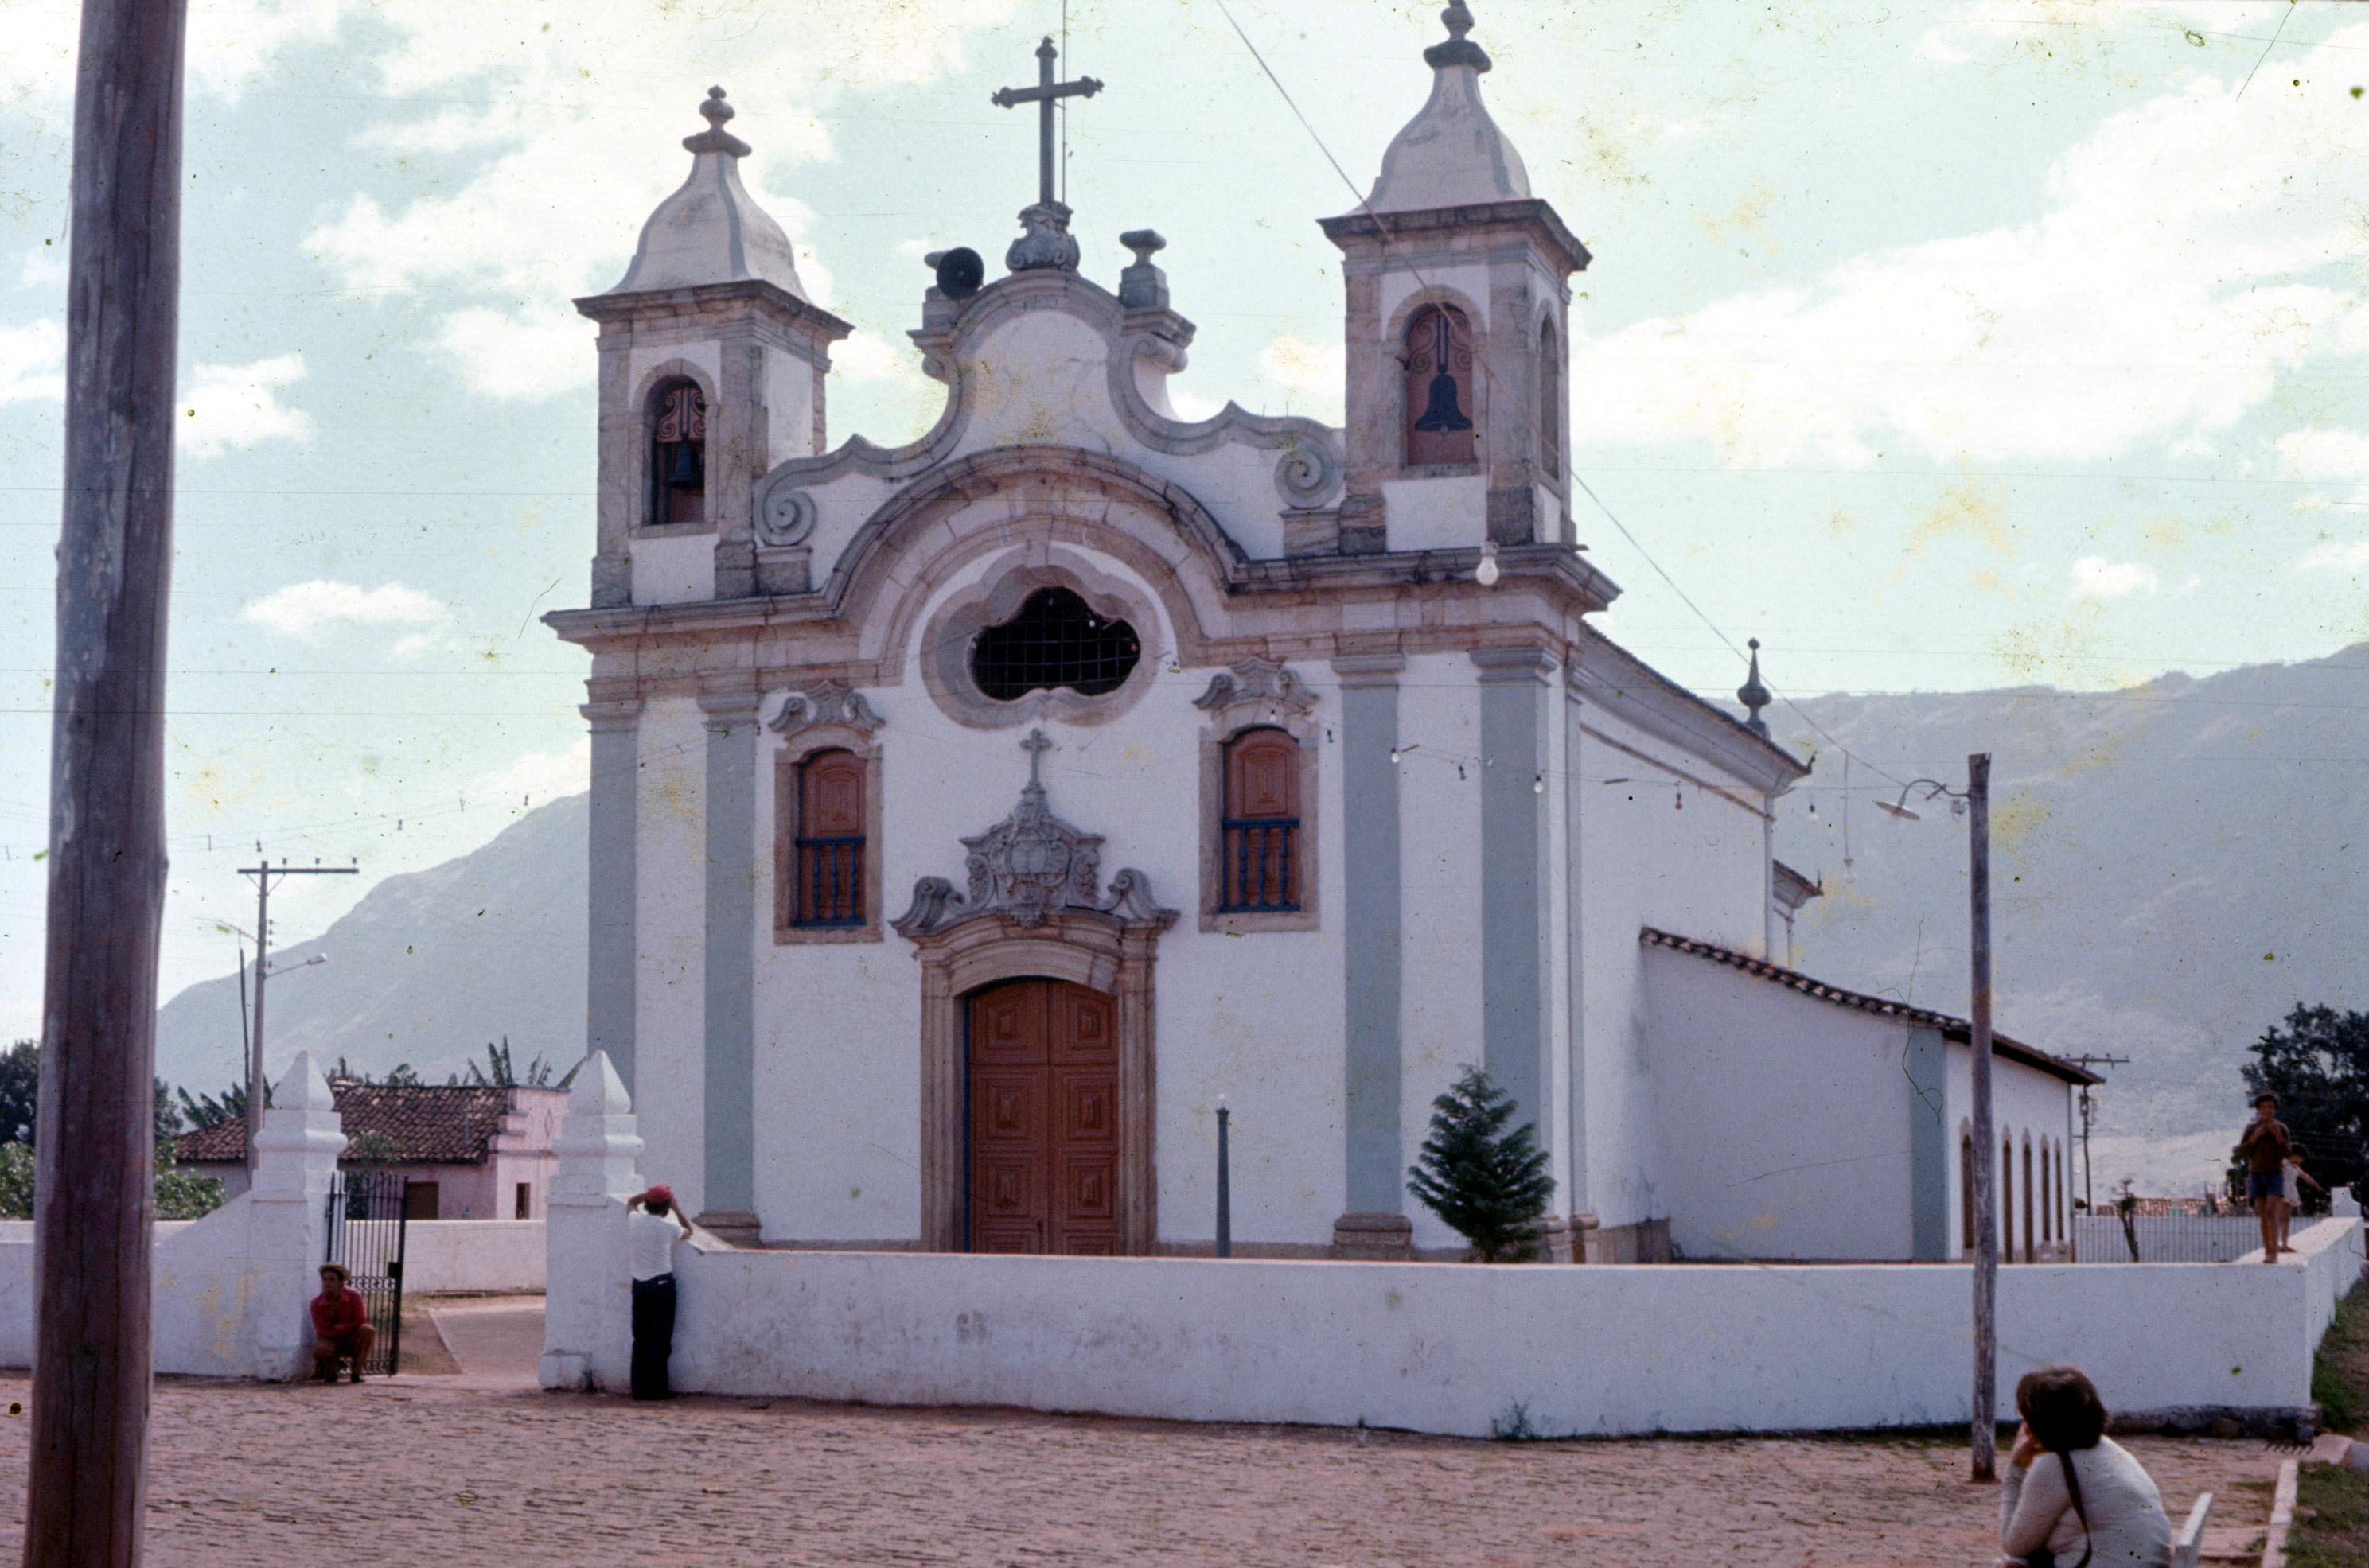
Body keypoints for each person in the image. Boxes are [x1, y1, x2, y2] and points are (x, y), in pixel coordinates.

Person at [1998, 1364, 2172, 1568]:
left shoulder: (2054, 1465)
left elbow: (2014, 1544)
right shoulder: (2110, 1450)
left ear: (2035, 1424)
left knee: (2010, 1564)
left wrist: (2015, 1470)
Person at [628, 1183, 693, 1400]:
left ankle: (639, 1388)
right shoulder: (669, 1228)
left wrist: (647, 1195)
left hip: (639, 1285)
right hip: (662, 1286)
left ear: (647, 1204)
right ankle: (656, 1389)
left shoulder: (635, 1221)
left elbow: (630, 1203)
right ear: (667, 1207)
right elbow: (689, 1231)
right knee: (660, 1340)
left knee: (641, 1339)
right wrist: (677, 1209)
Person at [2233, 1091, 2293, 1263]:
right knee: (2263, 1215)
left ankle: (2274, 1252)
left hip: (2275, 1174)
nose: (2267, 1110)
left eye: (2271, 1107)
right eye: (2264, 1107)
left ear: (2275, 1110)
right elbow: (2241, 1153)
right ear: (2258, 1109)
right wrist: (2254, 1138)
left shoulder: (2282, 1128)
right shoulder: (2251, 1128)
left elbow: (2288, 1153)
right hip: (2256, 1174)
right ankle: (2268, 1250)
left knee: (2271, 1212)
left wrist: (2277, 1136)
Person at [310, 1262, 376, 1384]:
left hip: (352, 1338)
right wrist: (336, 1334)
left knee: (368, 1330)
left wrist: (342, 1328)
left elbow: (361, 1320)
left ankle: (357, 1372)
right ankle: (332, 1368)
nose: (327, 1283)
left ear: (341, 1282)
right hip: (331, 1341)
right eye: (325, 1280)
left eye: (332, 1279)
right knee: (319, 1349)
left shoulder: (354, 1296)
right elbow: (321, 1330)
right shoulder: (316, 1303)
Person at [2279, 1144, 2328, 1250]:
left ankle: (2284, 1245)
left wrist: (2318, 1187)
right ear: (2295, 1155)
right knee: (2279, 1219)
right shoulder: (2283, 1163)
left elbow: (2307, 1177)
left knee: (2286, 1220)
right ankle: (2275, 1245)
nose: (2301, 1160)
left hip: (2290, 1193)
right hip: (2280, 1193)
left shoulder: (2295, 1167)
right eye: (2301, 1158)